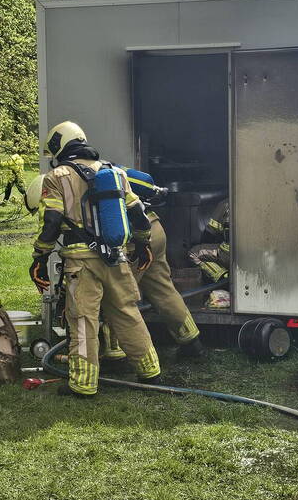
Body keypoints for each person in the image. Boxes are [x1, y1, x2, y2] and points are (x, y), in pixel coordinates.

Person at [29, 121, 161, 397]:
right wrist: (142, 243)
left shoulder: (58, 176)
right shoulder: (114, 173)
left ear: (60, 146)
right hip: (117, 257)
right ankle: (150, 371)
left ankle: (83, 384)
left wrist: (40, 255)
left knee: (83, 320)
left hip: (81, 262)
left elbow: (51, 222)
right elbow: (138, 215)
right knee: (127, 313)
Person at [123, 169, 204, 358]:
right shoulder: (112, 169)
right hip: (154, 227)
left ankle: (116, 354)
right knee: (163, 289)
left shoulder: (73, 177)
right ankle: (192, 341)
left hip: (135, 237)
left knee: (120, 297)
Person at [188, 199, 230, 283]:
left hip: (231, 254)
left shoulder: (226, 204)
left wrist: (201, 244)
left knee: (194, 253)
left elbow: (210, 234)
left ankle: (224, 278)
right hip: (256, 254)